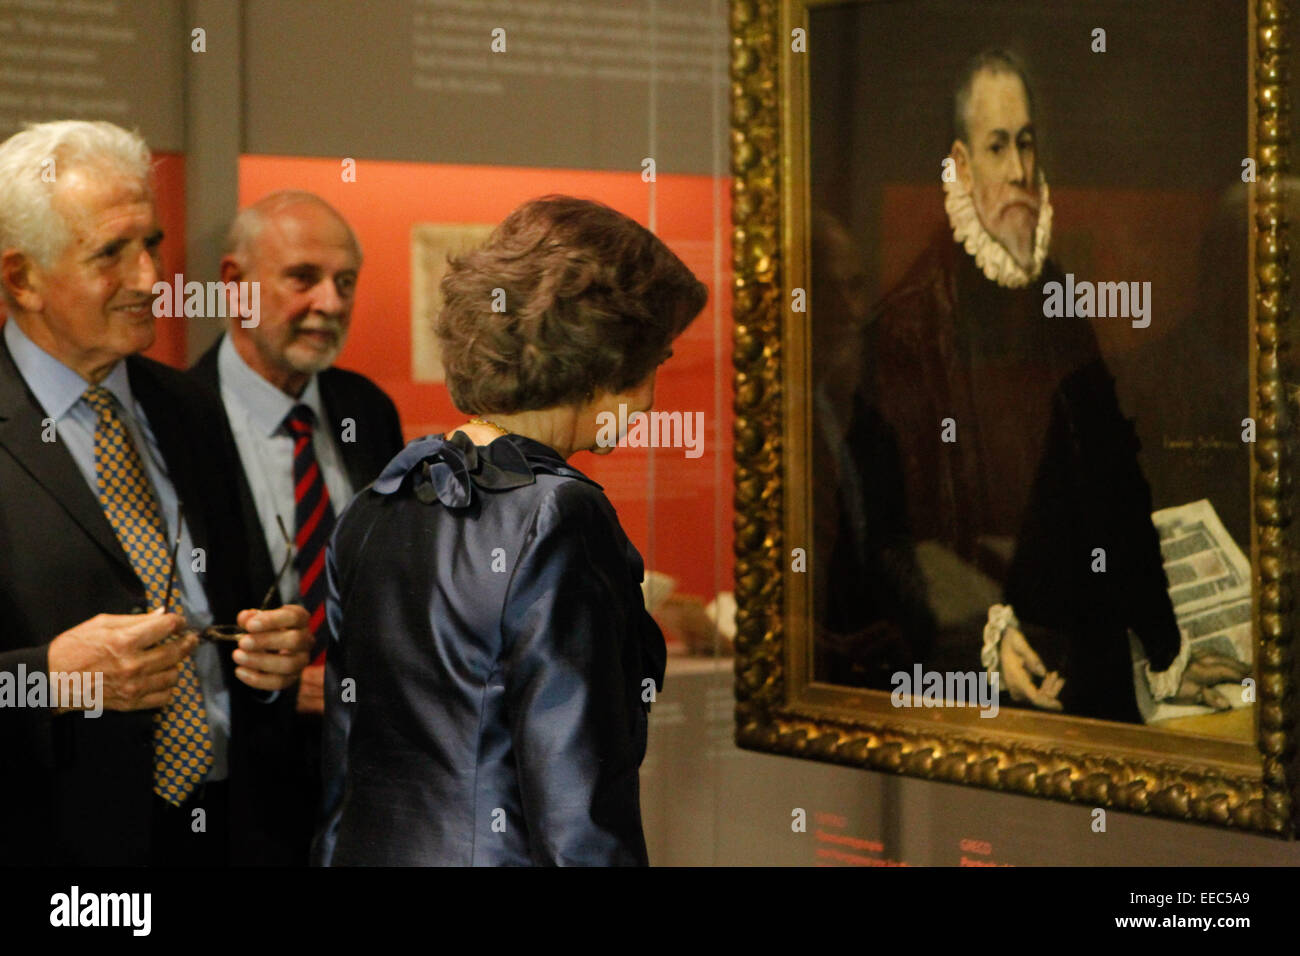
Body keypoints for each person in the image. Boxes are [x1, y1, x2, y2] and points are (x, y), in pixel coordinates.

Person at [819, 51, 1246, 722]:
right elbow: (886, 542)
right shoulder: (904, 331)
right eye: (998, 148)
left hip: (1085, 672)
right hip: (968, 690)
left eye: (1026, 144)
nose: (1021, 171)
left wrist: (1167, 650)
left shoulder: (1057, 300)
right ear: (961, 166)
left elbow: (1114, 482)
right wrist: (983, 633)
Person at [316, 195, 708, 865]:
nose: (651, 400)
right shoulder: (558, 516)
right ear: (607, 360)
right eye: (658, 363)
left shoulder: (378, 504)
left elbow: (344, 780)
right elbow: (579, 809)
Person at [0, 120, 314, 866]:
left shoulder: (188, 408)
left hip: (225, 829)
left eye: (153, 244)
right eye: (111, 254)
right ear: (23, 278)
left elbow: (233, 601)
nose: (150, 278)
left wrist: (272, 653)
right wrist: (42, 680)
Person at [189, 191, 404, 860]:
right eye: (303, 278)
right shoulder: (172, 419)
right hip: (236, 802)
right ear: (235, 284)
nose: (331, 305)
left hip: (371, 781)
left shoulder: (366, 409)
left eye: (345, 283)